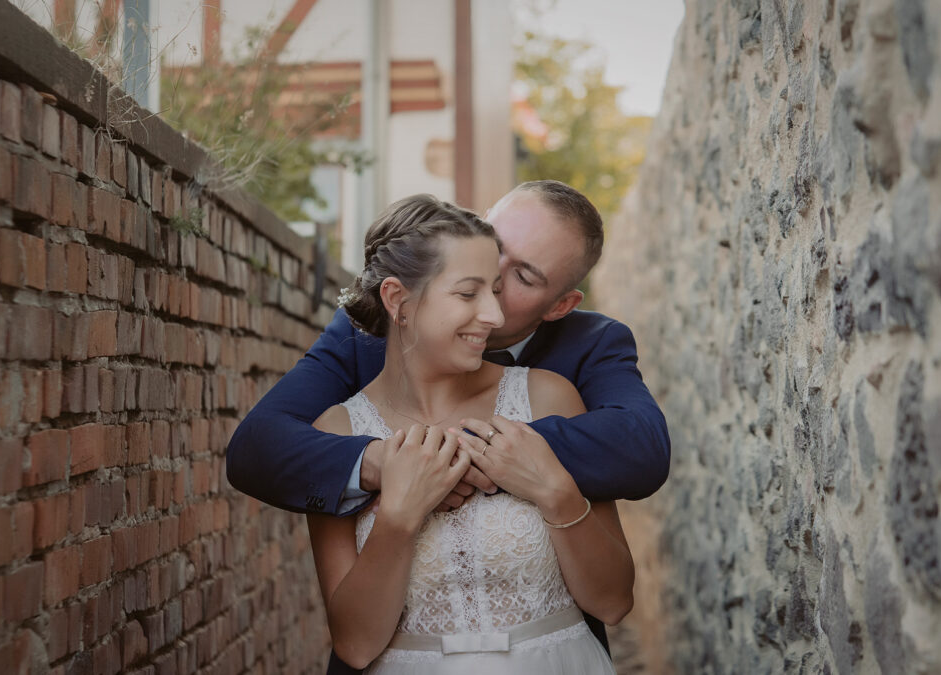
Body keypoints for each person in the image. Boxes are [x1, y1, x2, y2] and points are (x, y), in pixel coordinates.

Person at [226, 180, 671, 672]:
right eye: (491, 250)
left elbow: (641, 448)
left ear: (559, 306)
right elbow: (257, 447)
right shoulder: (362, 340)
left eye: (522, 275)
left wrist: (486, 453)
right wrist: (383, 465)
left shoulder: (575, 363)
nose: (494, 288)